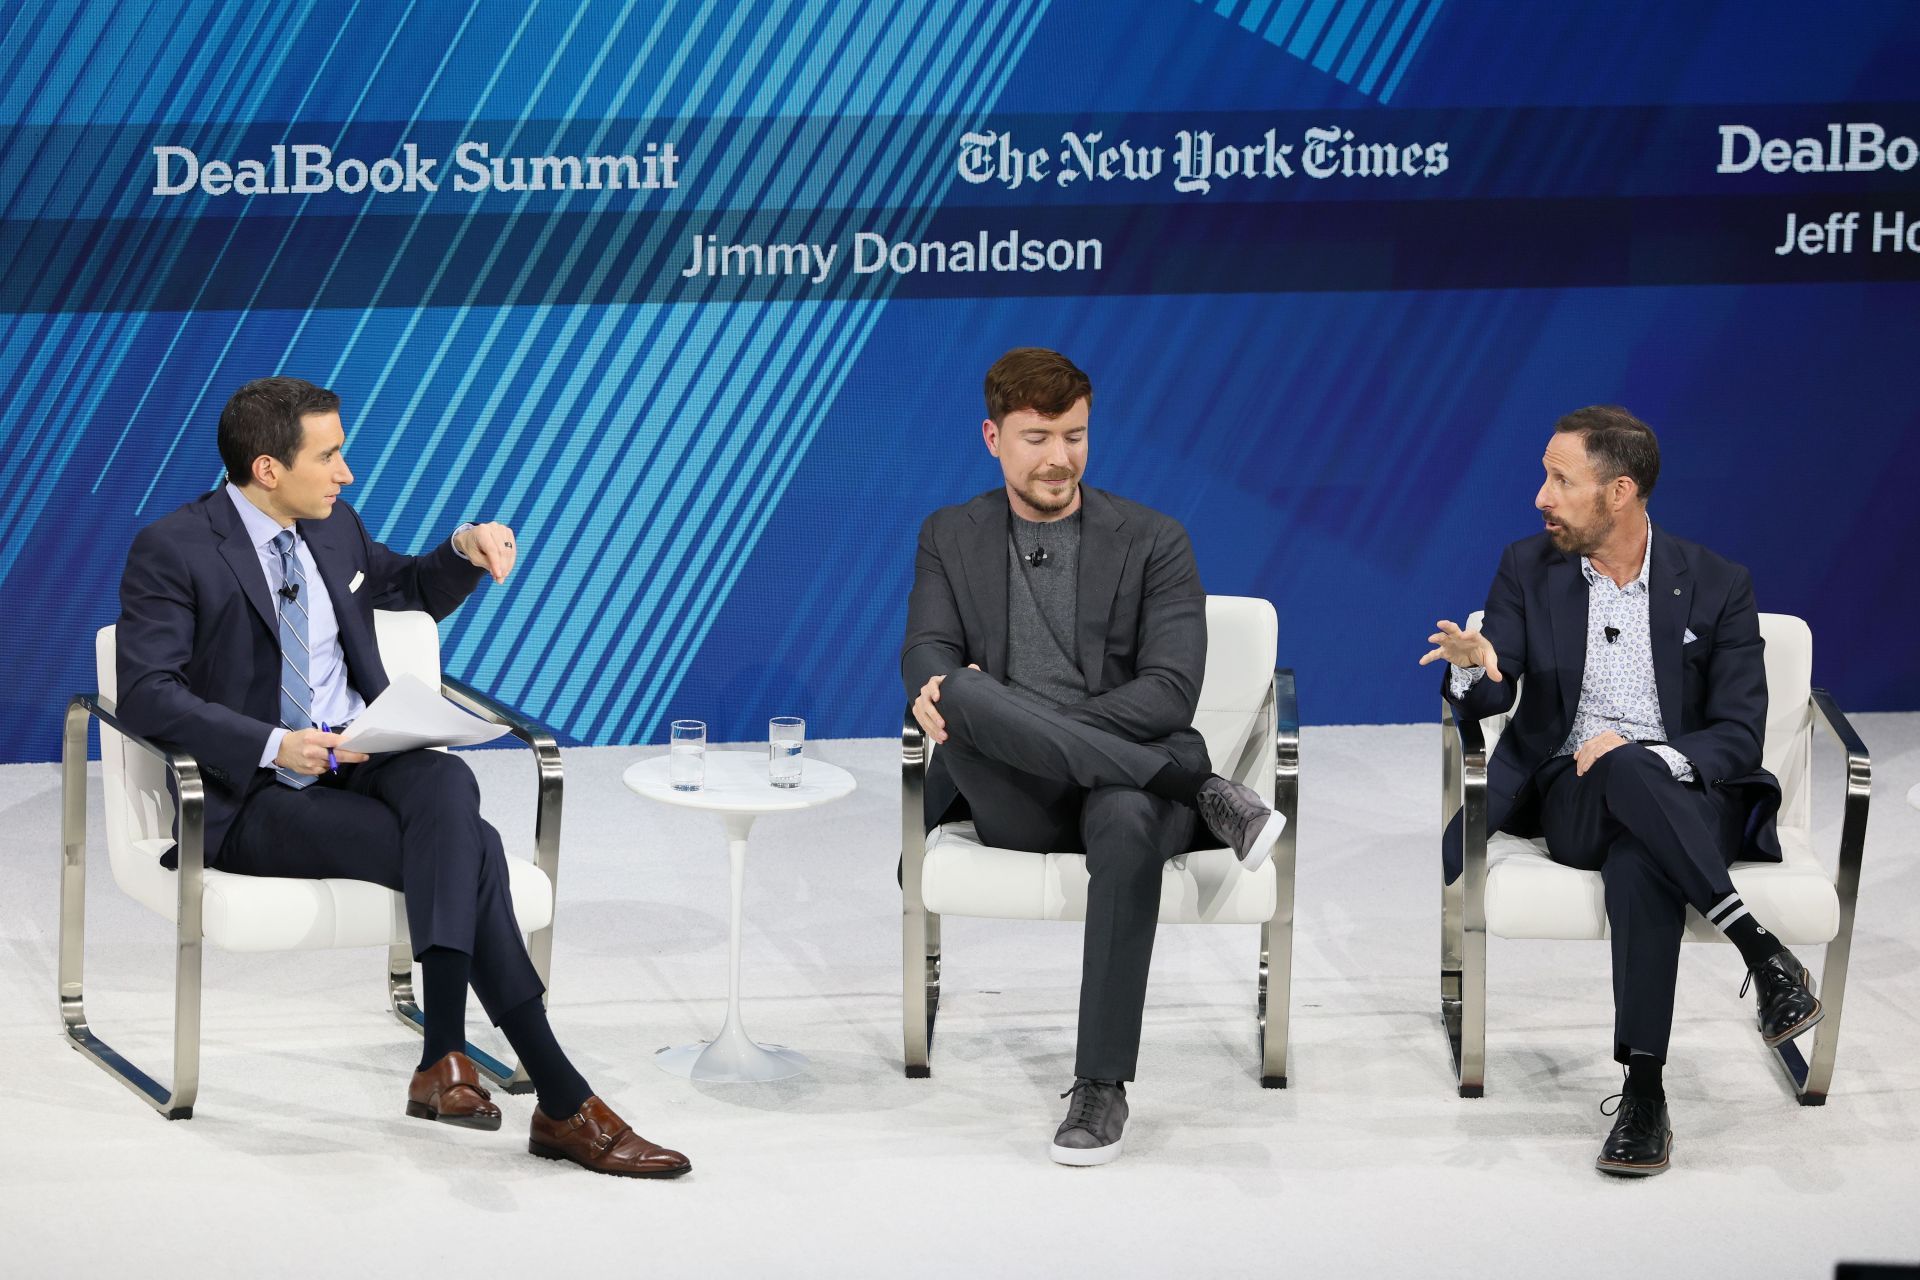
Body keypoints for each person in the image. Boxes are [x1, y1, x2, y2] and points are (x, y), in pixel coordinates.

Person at [115, 376, 689, 1179]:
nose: (347, 473)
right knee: (476, 848)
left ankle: (447, 1058)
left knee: (450, 788)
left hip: (363, 754)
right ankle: (558, 1101)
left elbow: (407, 587)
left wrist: (461, 548)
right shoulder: (174, 548)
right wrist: (275, 743)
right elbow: (146, 693)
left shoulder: (333, 526)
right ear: (269, 469)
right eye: (331, 455)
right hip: (254, 796)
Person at [901, 347, 1283, 1167]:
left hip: (1126, 791)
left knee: (1118, 807)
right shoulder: (949, 534)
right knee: (957, 693)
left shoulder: (1153, 539)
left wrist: (1019, 715)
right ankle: (1203, 787)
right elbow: (927, 653)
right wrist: (971, 703)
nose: (1059, 458)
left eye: (1075, 435)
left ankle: (1101, 1086)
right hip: (1018, 797)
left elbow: (1170, 693)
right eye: (1037, 437)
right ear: (992, 438)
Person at [1421, 405, 1820, 1177]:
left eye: (1560, 480)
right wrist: (1476, 666)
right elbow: (1487, 700)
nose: (1541, 496)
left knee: (1641, 844)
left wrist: (1649, 754)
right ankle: (1761, 951)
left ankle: (1644, 1092)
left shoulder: (1717, 585)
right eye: (1545, 475)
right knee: (1610, 768)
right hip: (1568, 798)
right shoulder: (1525, 567)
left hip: (1682, 795)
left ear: (1620, 492)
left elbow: (1739, 733)